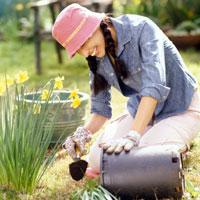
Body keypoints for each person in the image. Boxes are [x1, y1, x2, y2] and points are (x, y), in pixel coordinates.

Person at [52, 3, 200, 178]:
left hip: (180, 109)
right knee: (96, 157)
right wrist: (82, 134)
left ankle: (177, 147)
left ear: (96, 24)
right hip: (142, 114)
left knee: (143, 153)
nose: (85, 53)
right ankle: (162, 142)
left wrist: (133, 135)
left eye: (84, 43)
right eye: (78, 50)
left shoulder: (142, 29)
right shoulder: (96, 56)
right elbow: (101, 110)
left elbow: (154, 87)